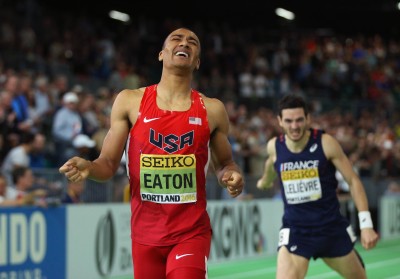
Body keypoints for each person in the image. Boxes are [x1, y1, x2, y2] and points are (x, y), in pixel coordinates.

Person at [59, 27, 244, 279]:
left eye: (193, 42)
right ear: (161, 54)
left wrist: (231, 175)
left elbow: (225, 163)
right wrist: (90, 168)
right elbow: (109, 163)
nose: (185, 43)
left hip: (191, 232)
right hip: (145, 235)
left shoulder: (212, 109)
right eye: (177, 39)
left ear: (197, 61)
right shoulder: (129, 101)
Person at [256, 95, 379, 279]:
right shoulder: (274, 146)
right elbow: (272, 163)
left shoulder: (325, 143)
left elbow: (353, 180)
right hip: (296, 231)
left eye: (299, 120)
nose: (295, 126)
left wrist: (366, 224)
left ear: (308, 118)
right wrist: (265, 181)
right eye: (288, 121)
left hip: (330, 229)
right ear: (280, 121)